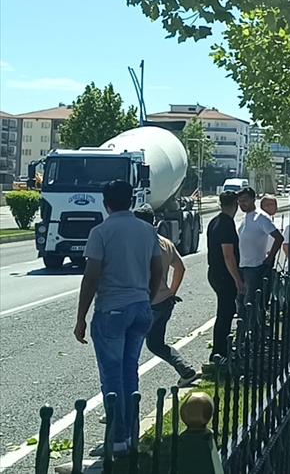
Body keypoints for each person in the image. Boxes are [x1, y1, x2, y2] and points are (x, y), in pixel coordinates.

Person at [74, 181, 163, 456]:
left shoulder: (101, 231)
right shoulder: (147, 230)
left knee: (112, 376)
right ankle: (130, 434)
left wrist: (81, 317)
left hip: (112, 309)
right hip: (140, 307)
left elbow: (92, 277)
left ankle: (117, 437)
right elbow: (157, 269)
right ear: (132, 201)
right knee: (129, 372)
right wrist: (147, 297)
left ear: (106, 202)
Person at [136, 206, 199, 385]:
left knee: (131, 343)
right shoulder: (165, 242)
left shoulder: (136, 245)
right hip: (164, 301)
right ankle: (185, 370)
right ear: (153, 222)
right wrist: (172, 292)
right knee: (156, 344)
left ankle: (127, 384)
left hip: (145, 302)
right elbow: (180, 268)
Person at [207, 191, 243, 361]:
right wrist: (237, 280)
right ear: (235, 204)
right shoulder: (226, 224)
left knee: (225, 311)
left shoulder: (215, 221)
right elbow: (228, 254)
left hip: (214, 271)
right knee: (226, 312)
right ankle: (219, 350)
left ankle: (220, 348)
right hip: (224, 274)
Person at [236, 187, 283, 306]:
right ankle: (244, 324)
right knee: (240, 301)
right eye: (240, 201)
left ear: (253, 200)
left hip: (255, 266)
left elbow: (278, 237)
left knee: (251, 302)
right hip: (242, 266)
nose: (242, 203)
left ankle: (253, 324)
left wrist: (270, 257)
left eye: (245, 200)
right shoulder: (244, 218)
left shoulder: (261, 217)